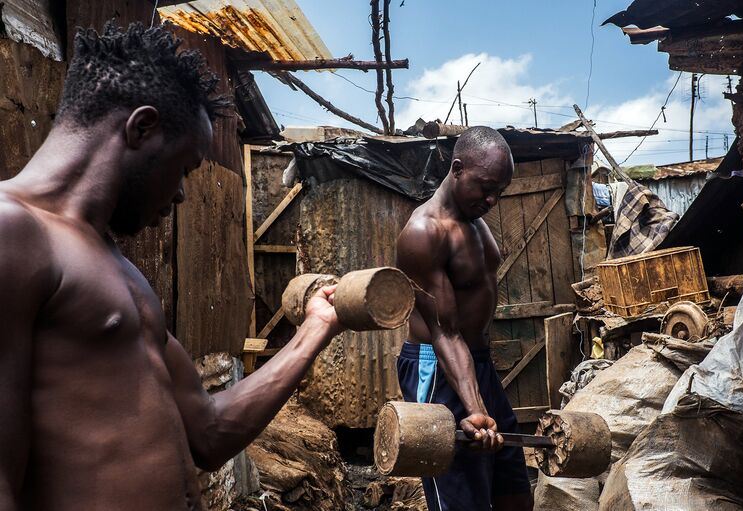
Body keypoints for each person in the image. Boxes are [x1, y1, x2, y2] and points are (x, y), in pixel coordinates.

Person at [0, 22, 343, 511]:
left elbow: (208, 432)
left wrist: (316, 329)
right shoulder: (13, 234)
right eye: (184, 168)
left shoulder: (119, 270)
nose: (182, 193)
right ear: (142, 128)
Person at [396, 127, 534, 511]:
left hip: (476, 365)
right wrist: (474, 408)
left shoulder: (476, 220)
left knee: (514, 492)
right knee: (462, 498)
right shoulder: (424, 233)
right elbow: (444, 332)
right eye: (486, 187)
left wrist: (480, 394)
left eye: (500, 191)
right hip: (438, 368)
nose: (492, 199)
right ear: (457, 168)